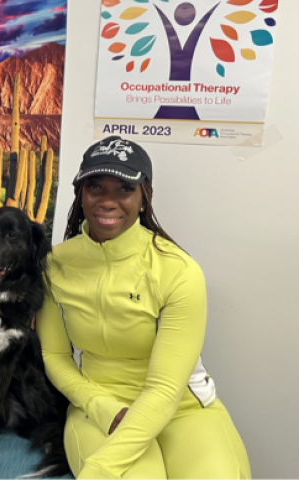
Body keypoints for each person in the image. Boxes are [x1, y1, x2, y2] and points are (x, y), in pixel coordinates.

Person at [36, 136, 251, 479]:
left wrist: (100, 470)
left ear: (143, 197)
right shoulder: (54, 266)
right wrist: (98, 405)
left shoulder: (178, 270)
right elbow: (56, 357)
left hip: (183, 407)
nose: (107, 201)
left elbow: (165, 389)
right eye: (95, 187)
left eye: (124, 189)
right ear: (81, 193)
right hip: (101, 407)